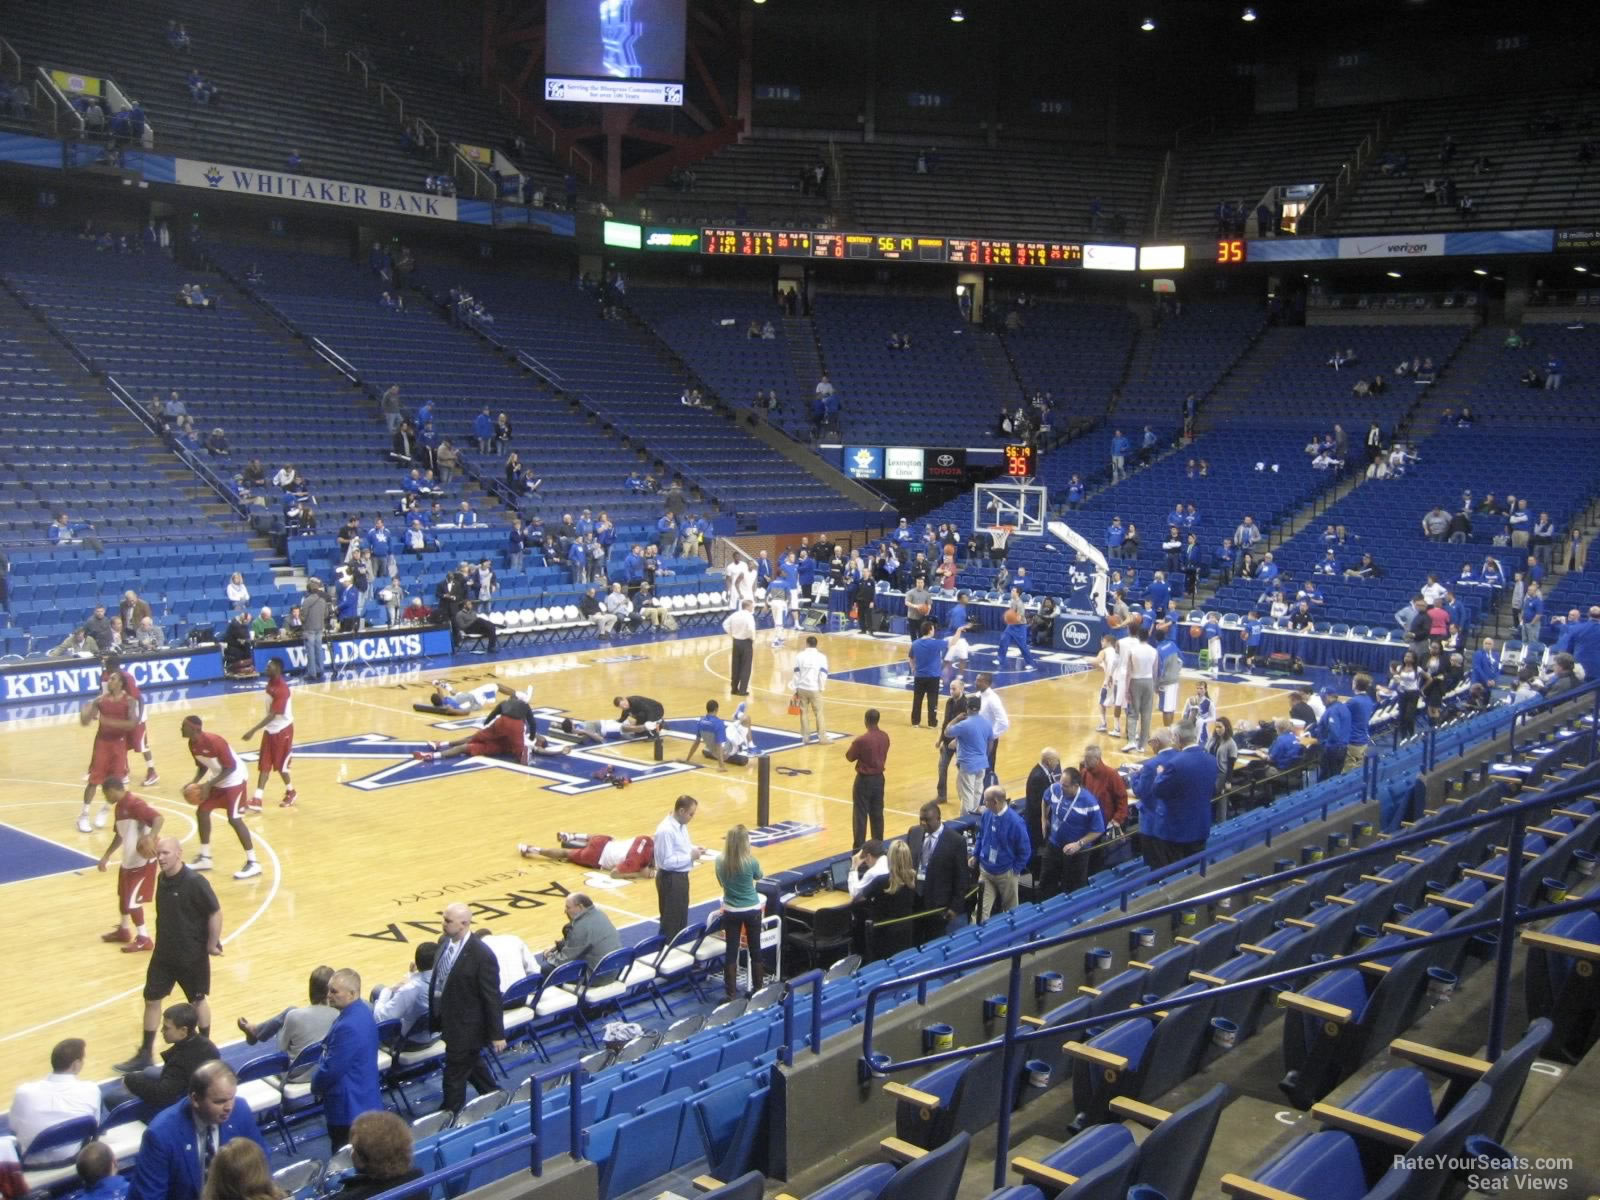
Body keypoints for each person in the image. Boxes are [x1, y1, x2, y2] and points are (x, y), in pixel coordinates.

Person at [114, 838, 221, 1074]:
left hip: (191, 955)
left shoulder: (195, 882)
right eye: (158, 853)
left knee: (198, 1000)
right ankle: (145, 1053)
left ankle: (203, 1050)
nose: (160, 858)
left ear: (179, 853)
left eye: (165, 853)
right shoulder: (162, 878)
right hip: (164, 953)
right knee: (151, 999)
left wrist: (212, 943)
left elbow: (215, 912)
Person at [127, 1061, 267, 1200]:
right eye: (219, 1101)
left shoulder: (240, 1110)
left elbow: (260, 1164)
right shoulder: (161, 1134)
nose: (229, 1107)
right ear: (195, 1099)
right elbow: (149, 1196)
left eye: (232, 1098)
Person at [428, 903, 506, 1115]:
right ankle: (496, 1097)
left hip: (467, 1026)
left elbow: (492, 996)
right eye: (443, 918)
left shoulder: (482, 955)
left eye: (447, 921)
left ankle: (449, 1116)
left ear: (464, 924)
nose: (442, 924)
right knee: (471, 1065)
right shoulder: (445, 942)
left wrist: (497, 1034)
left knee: (454, 1075)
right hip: (448, 1020)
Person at [181, 717, 259, 878]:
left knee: (235, 819)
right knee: (202, 811)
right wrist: (193, 783)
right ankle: (205, 858)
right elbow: (203, 766)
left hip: (235, 779)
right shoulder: (192, 744)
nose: (180, 729)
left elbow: (231, 767)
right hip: (219, 779)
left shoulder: (214, 741)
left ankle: (253, 863)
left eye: (184, 726)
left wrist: (209, 785)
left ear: (195, 729)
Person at [311, 969, 380, 1151]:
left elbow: (332, 1069)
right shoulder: (363, 1012)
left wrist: (315, 1086)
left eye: (334, 992)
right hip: (365, 1098)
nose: (328, 995)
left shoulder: (347, 1026)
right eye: (329, 990)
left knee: (346, 1158)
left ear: (352, 994)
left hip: (349, 1107)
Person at [9, 1039, 103, 1166]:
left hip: (31, 1163)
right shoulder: (91, 1090)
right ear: (75, 1064)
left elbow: (13, 1128)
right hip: (73, 1158)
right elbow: (94, 1128)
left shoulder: (23, 1092)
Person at [97, 779, 164, 951]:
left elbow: (158, 818)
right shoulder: (119, 807)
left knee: (133, 902)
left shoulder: (135, 803)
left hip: (142, 863)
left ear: (112, 790)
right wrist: (106, 855)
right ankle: (124, 930)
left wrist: (151, 837)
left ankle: (144, 938)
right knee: (123, 897)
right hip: (128, 861)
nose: (105, 797)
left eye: (106, 794)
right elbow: (120, 835)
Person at [78, 669, 138, 833]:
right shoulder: (100, 700)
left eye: (112, 679)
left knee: (116, 782)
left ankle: (105, 809)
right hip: (102, 743)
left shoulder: (130, 701)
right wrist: (85, 710)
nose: (109, 681)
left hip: (119, 744)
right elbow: (84, 721)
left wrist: (106, 721)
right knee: (94, 781)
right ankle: (84, 815)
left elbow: (131, 724)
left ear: (120, 683)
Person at [1149, 721, 1216, 865]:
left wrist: (1159, 774)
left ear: (1178, 737)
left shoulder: (1175, 764)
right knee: (1194, 872)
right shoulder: (1211, 760)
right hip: (1200, 827)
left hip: (1176, 831)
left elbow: (1157, 791)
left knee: (1174, 875)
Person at [714, 826, 765, 999]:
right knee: (755, 949)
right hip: (752, 910)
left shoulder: (720, 861)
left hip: (731, 911)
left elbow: (721, 883)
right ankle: (758, 990)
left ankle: (731, 994)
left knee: (731, 951)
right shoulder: (751, 861)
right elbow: (759, 876)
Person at [1039, 767, 1106, 898]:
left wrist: (1079, 844)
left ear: (1076, 786)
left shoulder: (1089, 802)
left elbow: (1098, 830)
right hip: (1054, 845)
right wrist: (1043, 818)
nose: (1061, 788)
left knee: (1073, 888)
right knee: (1046, 882)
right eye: (1060, 783)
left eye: (1065, 786)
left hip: (1076, 852)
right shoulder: (1056, 789)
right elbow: (1045, 797)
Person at [238, 657, 296, 809]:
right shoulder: (270, 683)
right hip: (271, 729)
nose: (266, 668)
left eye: (269, 666)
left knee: (280, 766)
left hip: (282, 730)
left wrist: (252, 730)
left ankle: (291, 791)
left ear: (277, 669)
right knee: (264, 764)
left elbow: (273, 714)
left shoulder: (282, 689)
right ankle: (257, 799)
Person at [907, 802, 968, 934]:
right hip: (916, 900)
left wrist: (955, 907)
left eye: (927, 820)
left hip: (938, 904)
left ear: (938, 819)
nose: (923, 823)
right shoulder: (914, 832)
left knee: (934, 939)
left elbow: (961, 877)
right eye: (921, 819)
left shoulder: (956, 841)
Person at [971, 786, 1029, 922]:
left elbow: (1025, 851)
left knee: (1011, 912)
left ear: (995, 802)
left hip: (1006, 874)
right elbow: (981, 835)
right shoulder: (986, 814)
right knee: (980, 912)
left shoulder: (1016, 822)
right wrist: (975, 854)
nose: (983, 803)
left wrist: (1014, 871)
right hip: (986, 872)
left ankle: (1014, 940)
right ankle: (976, 939)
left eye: (985, 801)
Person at [336, 1111, 423, 1200]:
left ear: (360, 1161)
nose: (351, 1151)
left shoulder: (349, 1197)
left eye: (353, 1148)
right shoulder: (418, 1178)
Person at [654, 795, 704, 939]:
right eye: (691, 814)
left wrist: (695, 849)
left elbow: (682, 847)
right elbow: (666, 862)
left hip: (680, 877)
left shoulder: (681, 826)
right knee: (671, 923)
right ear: (681, 811)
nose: (692, 817)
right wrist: (690, 856)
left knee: (680, 920)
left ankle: (676, 951)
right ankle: (666, 954)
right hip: (670, 879)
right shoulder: (666, 831)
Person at [518, 830, 655, 878]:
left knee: (603, 837)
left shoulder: (646, 839)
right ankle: (531, 849)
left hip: (603, 842)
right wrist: (638, 874)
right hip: (595, 857)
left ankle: (572, 836)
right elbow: (614, 873)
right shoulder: (635, 862)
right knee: (566, 853)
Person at [845, 708, 890, 849]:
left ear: (865, 720)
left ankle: (859, 849)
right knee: (877, 814)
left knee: (860, 815)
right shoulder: (885, 736)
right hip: (879, 778)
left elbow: (849, 757)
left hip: (864, 780)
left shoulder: (861, 740)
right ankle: (878, 847)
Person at [946, 695, 993, 815]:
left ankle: (965, 821)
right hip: (982, 763)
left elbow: (947, 732)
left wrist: (956, 718)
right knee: (977, 792)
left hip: (968, 764)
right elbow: (991, 742)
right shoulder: (987, 723)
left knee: (967, 793)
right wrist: (985, 756)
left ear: (968, 708)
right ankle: (975, 816)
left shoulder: (964, 724)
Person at [1122, 624, 1159, 752]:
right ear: (1148, 635)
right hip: (1148, 681)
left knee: (1133, 713)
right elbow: (1155, 671)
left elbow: (1128, 671)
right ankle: (1142, 745)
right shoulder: (1154, 651)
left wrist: (1126, 689)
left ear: (1137, 636)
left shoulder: (1132, 650)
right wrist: (1154, 687)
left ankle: (1131, 741)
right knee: (1146, 714)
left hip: (1135, 681)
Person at [791, 635, 829, 744]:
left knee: (803, 713)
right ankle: (822, 737)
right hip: (815, 688)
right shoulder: (821, 657)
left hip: (802, 688)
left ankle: (806, 737)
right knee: (819, 713)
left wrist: (795, 687)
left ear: (807, 644)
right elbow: (823, 674)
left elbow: (796, 673)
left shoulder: (799, 656)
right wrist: (821, 687)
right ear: (816, 644)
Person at [724, 599, 755, 695]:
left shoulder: (735, 614)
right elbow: (750, 629)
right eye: (752, 606)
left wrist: (732, 633)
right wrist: (752, 638)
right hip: (746, 642)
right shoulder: (749, 616)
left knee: (735, 666)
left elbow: (725, 624)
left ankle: (733, 689)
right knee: (746, 667)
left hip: (736, 641)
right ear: (748, 606)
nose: (753, 608)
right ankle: (742, 690)